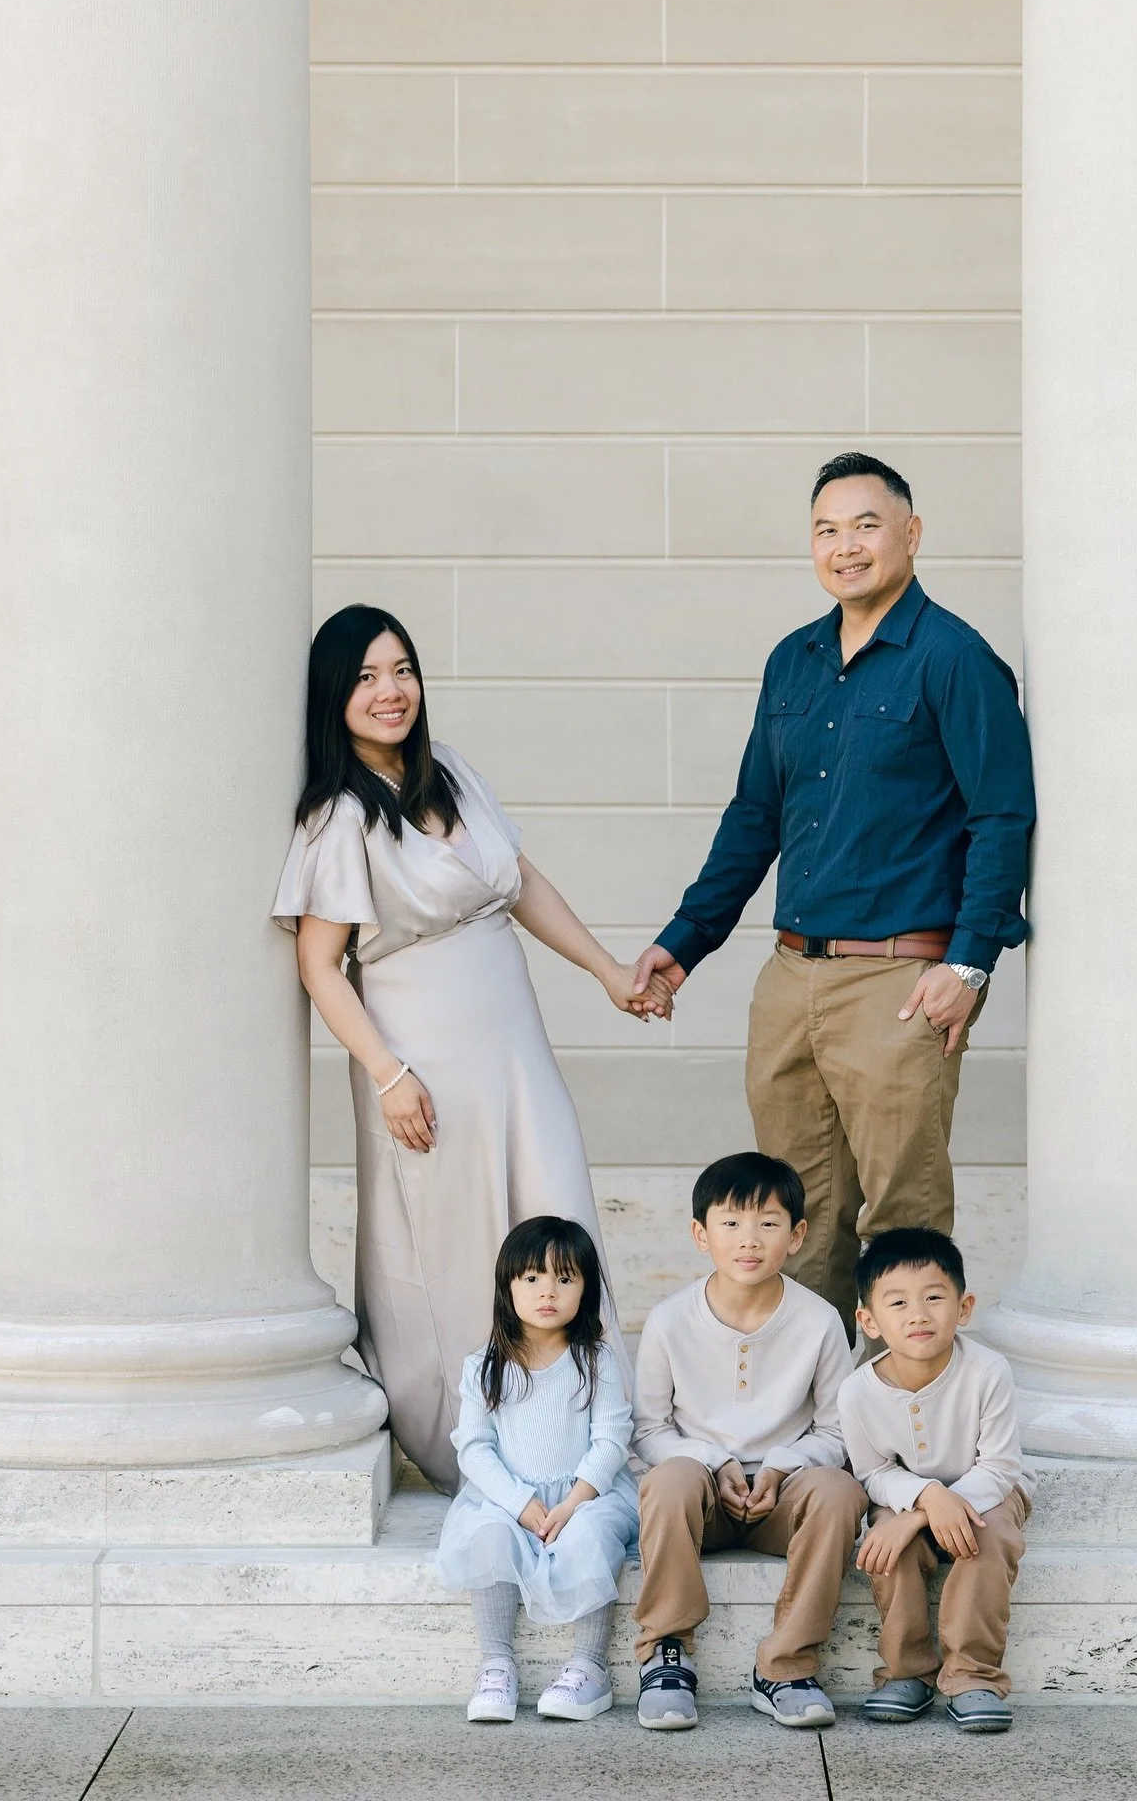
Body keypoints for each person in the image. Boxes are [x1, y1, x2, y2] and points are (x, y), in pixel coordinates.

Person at [633, 451, 1035, 1342]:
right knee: (789, 1218)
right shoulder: (794, 661)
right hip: (790, 981)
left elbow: (1003, 820)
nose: (845, 546)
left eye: (865, 525)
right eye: (826, 529)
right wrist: (684, 941)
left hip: (901, 984)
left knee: (902, 1220)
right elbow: (754, 817)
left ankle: (906, 1432)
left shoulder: (956, 661)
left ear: (911, 534)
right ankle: (809, 1430)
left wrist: (969, 964)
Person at [274, 604, 672, 1492]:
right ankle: (477, 1445)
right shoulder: (339, 818)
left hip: (514, 1049)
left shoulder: (449, 771)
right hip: (426, 1061)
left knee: (556, 1209)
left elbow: (521, 882)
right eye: (368, 677)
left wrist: (608, 971)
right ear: (335, 696)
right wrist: (390, 1074)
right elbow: (319, 967)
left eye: (403, 670)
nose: (391, 691)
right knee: (455, 1250)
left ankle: (588, 1430)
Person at [630, 1153, 864, 1733]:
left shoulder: (819, 1320)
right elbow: (649, 1430)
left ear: (798, 1234)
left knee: (838, 1492)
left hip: (781, 1502)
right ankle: (666, 1655)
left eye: (768, 1222)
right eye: (730, 1223)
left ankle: (785, 1665)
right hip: (700, 1498)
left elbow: (838, 1432)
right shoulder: (668, 1320)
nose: (749, 1240)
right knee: (669, 1478)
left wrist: (782, 1467)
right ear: (700, 1234)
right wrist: (716, 1461)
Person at [435, 1217, 638, 1725]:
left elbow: (611, 1440)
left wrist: (573, 1504)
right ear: (508, 1286)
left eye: (565, 1279)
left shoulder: (596, 1361)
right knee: (486, 1535)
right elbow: (475, 1447)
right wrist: (521, 1504)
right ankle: (497, 1664)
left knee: (591, 1536)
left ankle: (589, 1667)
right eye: (531, 1278)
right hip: (509, 1495)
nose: (548, 1291)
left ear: (586, 1290)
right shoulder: (486, 1364)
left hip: (587, 1493)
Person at [838, 1227, 1032, 1734]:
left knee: (985, 1539)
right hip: (902, 1495)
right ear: (869, 1320)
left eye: (934, 1298)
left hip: (987, 1493)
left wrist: (932, 1509)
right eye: (897, 1302)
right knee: (886, 1547)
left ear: (963, 1308)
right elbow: (873, 1472)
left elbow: (1000, 1467)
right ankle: (908, 1671)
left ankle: (973, 1675)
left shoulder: (989, 1371)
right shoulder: (857, 1392)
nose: (918, 1314)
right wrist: (920, 1503)